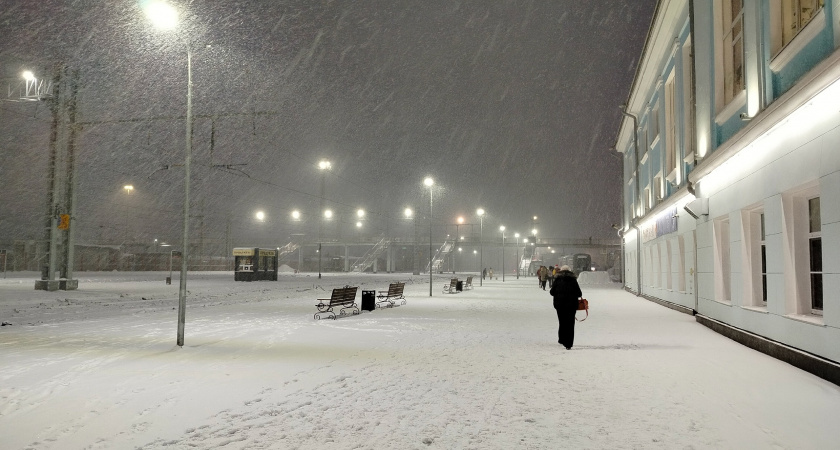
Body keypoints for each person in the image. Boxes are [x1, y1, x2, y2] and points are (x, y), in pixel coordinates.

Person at [550, 265, 583, 349]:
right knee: (570, 323)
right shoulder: (573, 280)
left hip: (560, 304)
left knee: (562, 322)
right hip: (571, 305)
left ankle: (561, 339)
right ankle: (569, 343)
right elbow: (579, 293)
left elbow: (552, 292)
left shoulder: (557, 280)